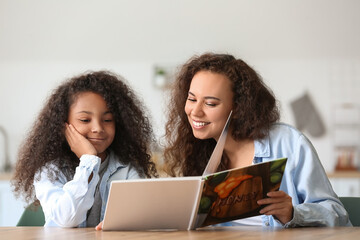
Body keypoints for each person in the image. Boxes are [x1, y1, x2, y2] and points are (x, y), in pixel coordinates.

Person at [163, 53, 352, 227]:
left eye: (210, 103)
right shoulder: (198, 150)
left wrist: (293, 213)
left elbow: (338, 214)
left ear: (237, 107)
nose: (195, 112)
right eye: (192, 99)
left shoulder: (289, 142)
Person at [12, 71, 158, 228]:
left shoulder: (128, 170)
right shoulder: (50, 171)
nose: (98, 128)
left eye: (108, 120)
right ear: (63, 126)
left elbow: (141, 216)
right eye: (85, 120)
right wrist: (89, 159)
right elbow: (67, 219)